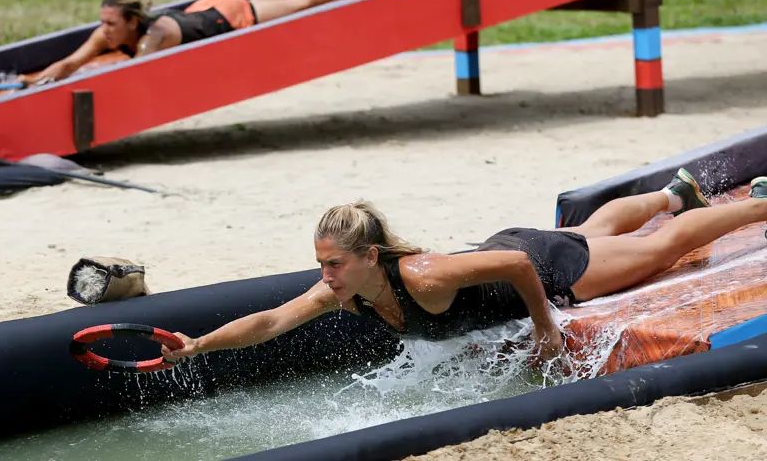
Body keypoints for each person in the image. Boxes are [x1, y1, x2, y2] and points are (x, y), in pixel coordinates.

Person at [161, 169, 767, 364]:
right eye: (321, 265)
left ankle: (751, 202)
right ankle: (670, 194)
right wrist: (198, 344)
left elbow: (515, 267)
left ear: (370, 256)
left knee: (659, 251)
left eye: (334, 263)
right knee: (595, 230)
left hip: (545, 265)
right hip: (514, 245)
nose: (326, 276)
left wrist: (547, 326)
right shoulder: (344, 291)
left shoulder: (422, 275)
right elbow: (269, 322)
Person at [17, 0, 390, 86]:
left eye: (111, 23)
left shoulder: (154, 37)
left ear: (132, 22)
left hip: (223, 18)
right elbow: (70, 62)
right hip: (206, 9)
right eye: (102, 22)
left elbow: (131, 75)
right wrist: (36, 81)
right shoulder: (111, 32)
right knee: (262, 1)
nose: (104, 30)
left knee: (298, 6)